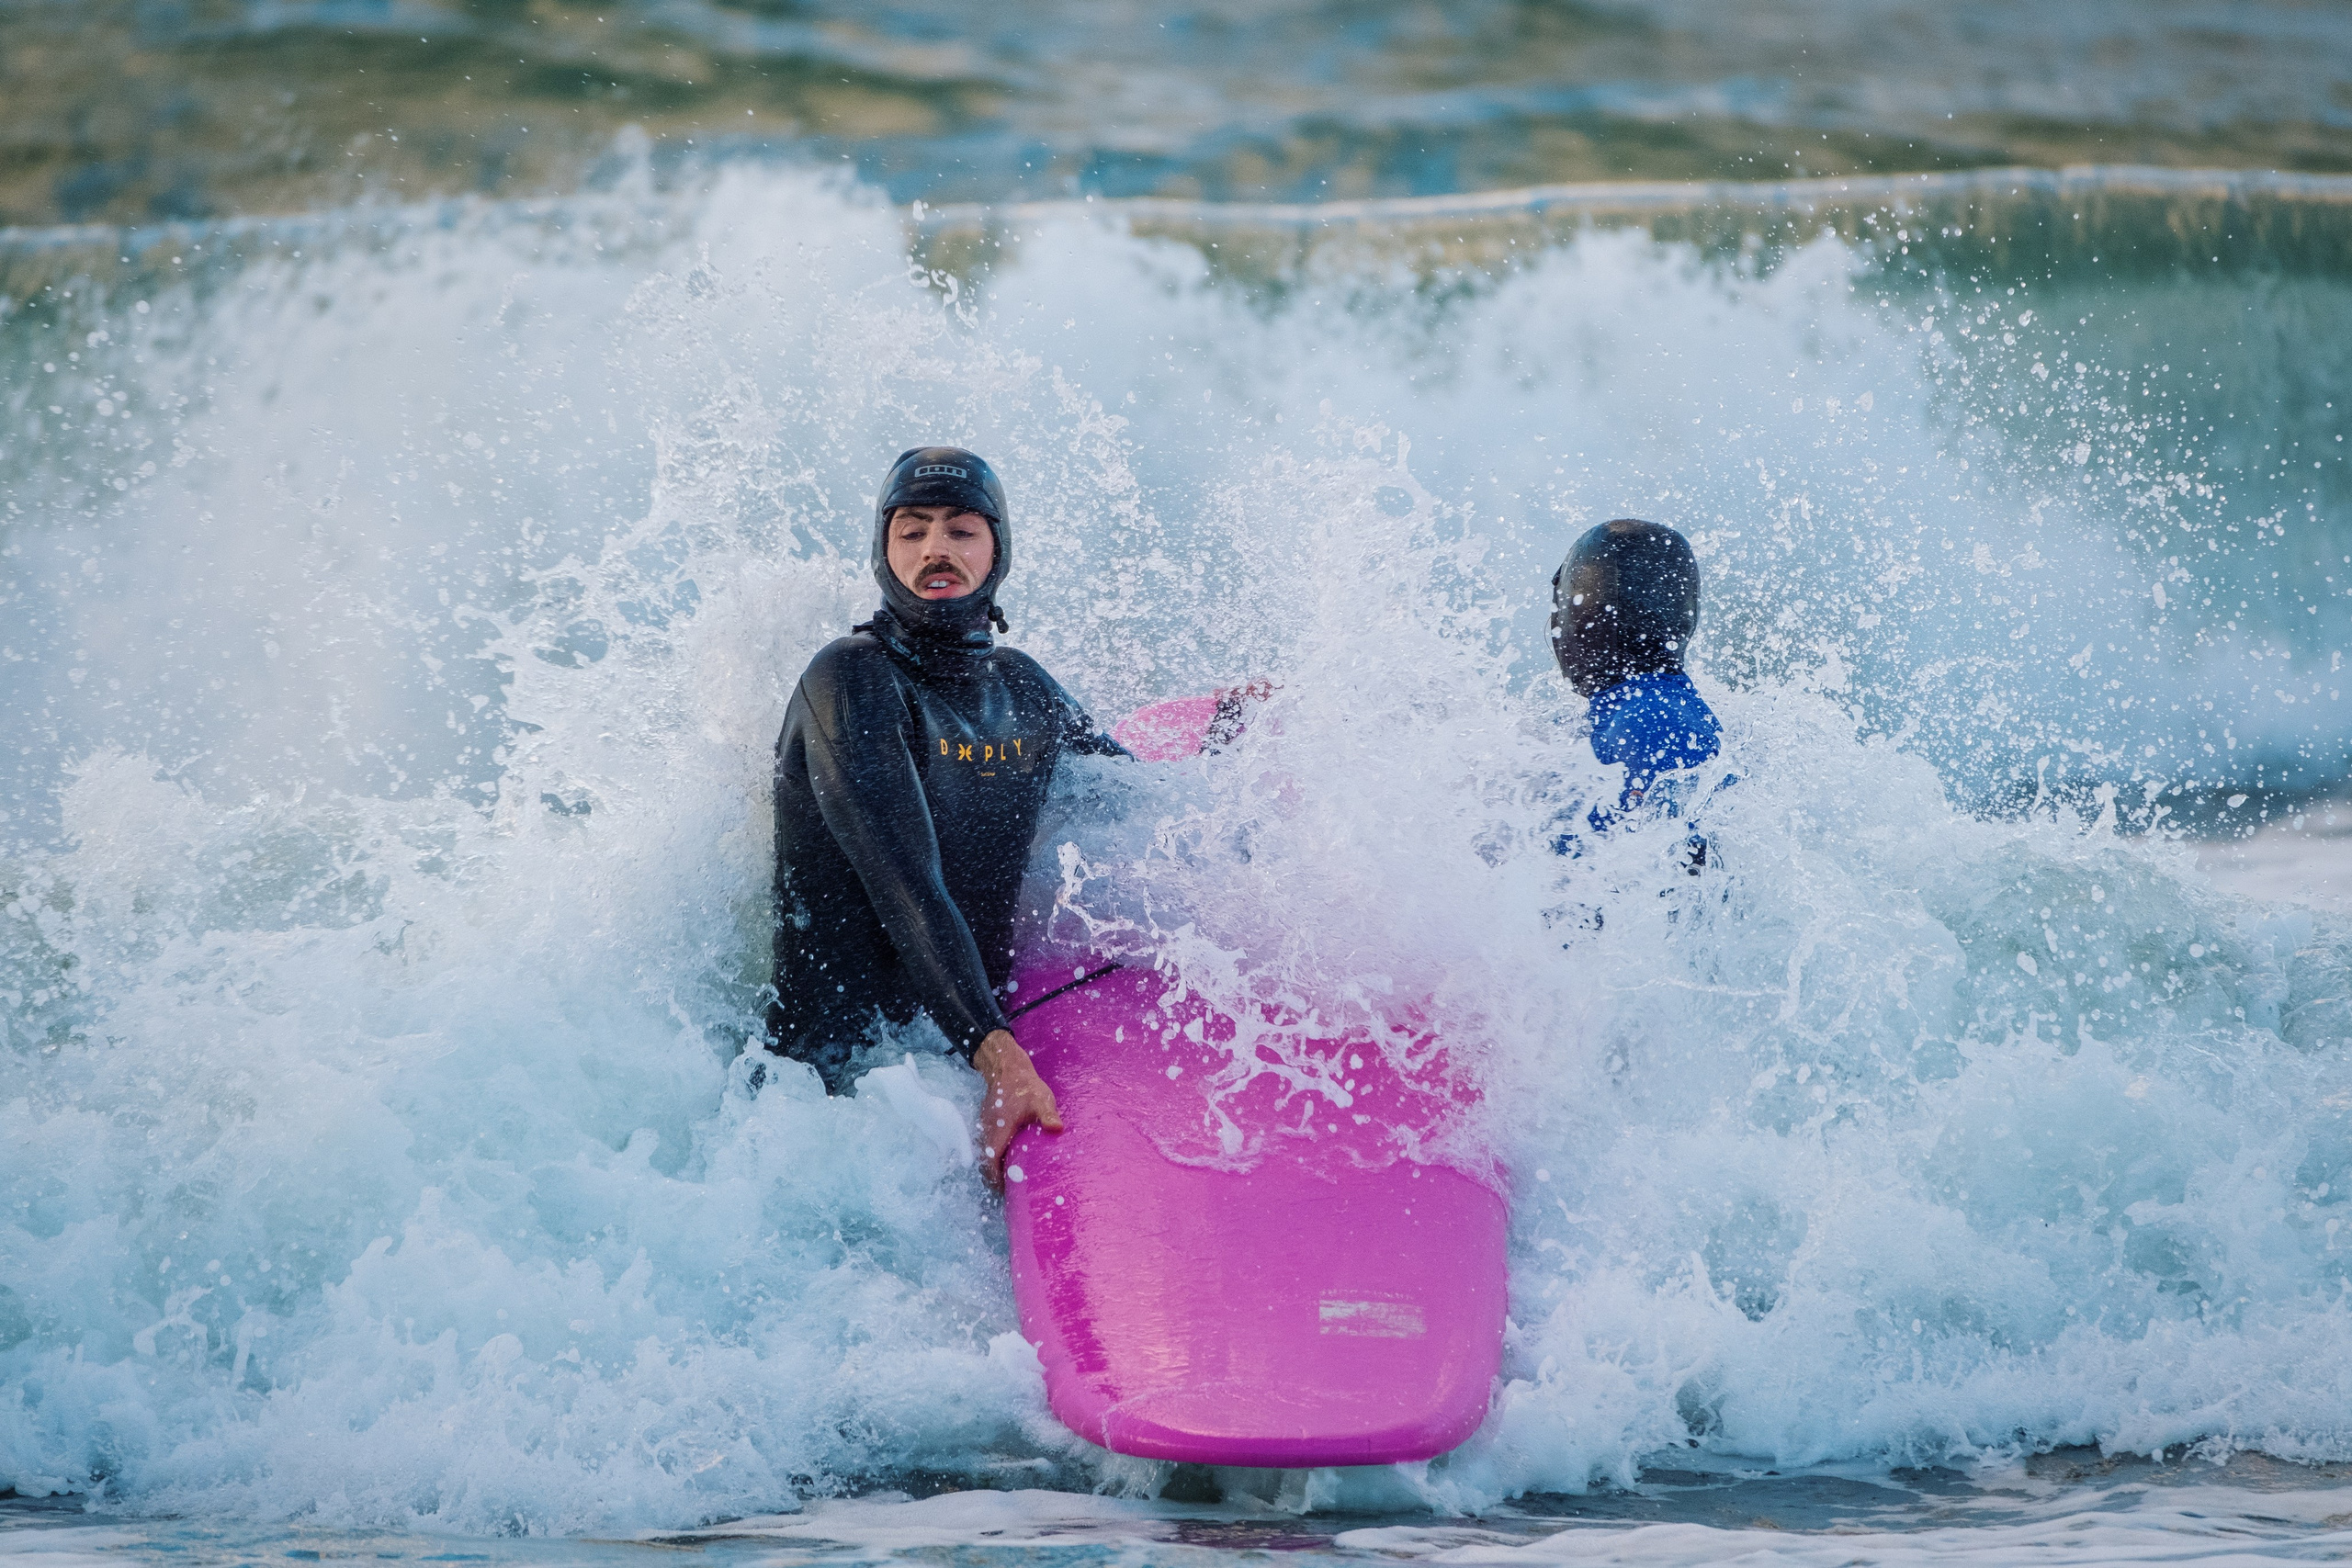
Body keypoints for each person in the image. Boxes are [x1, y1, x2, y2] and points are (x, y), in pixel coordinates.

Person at [767, 446, 1127, 1187]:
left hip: (961, 1060)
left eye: (961, 530)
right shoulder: (850, 680)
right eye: (911, 530)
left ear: (997, 551)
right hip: (838, 1104)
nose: (935, 548)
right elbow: (905, 880)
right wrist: (1000, 1058)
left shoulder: (1021, 687)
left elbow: (1138, 807)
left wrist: (1231, 743)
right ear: (883, 550)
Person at [1549, 517, 1722, 858]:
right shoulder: (1640, 711)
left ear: (1587, 620)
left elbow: (1680, 879)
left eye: (1562, 605)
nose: (1554, 626)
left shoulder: (1650, 722)